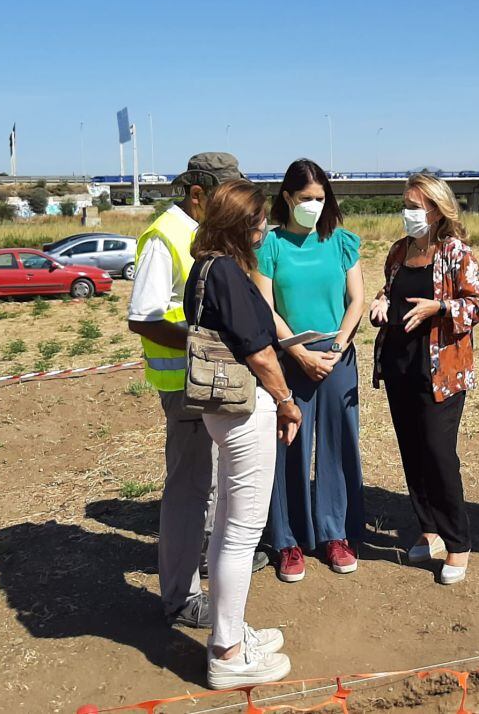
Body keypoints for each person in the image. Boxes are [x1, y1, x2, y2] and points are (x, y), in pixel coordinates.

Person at [127, 152, 266, 632]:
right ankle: (182, 598)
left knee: (208, 483)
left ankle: (206, 560)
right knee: (188, 489)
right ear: (198, 194)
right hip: (184, 383)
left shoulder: (201, 235)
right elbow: (141, 317)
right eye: (225, 194)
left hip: (207, 382)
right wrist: (204, 341)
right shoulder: (167, 236)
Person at [183, 178, 302, 688]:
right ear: (240, 225)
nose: (264, 229)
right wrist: (286, 401)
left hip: (219, 409)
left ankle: (230, 632)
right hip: (244, 408)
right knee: (241, 532)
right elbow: (258, 352)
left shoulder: (204, 267)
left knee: (230, 521)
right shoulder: (229, 273)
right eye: (258, 221)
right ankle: (228, 655)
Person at [253, 159, 366, 582]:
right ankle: (288, 540)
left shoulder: (342, 242)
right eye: (306, 199)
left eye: (320, 199)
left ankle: (335, 533)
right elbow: (265, 306)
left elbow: (356, 299)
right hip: (289, 357)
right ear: (287, 198)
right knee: (289, 446)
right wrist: (299, 352)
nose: (314, 206)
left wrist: (337, 347)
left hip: (337, 356)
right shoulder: (271, 246)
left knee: (338, 444)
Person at [370, 174, 479, 585]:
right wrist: (381, 302)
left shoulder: (457, 254)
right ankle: (429, 530)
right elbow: (390, 290)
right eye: (405, 204)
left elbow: (476, 306)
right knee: (412, 452)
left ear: (436, 210)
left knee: (438, 453)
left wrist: (439, 307)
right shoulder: (399, 251)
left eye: (415, 206)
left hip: (441, 370)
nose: (408, 212)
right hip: (400, 366)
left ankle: (459, 543)